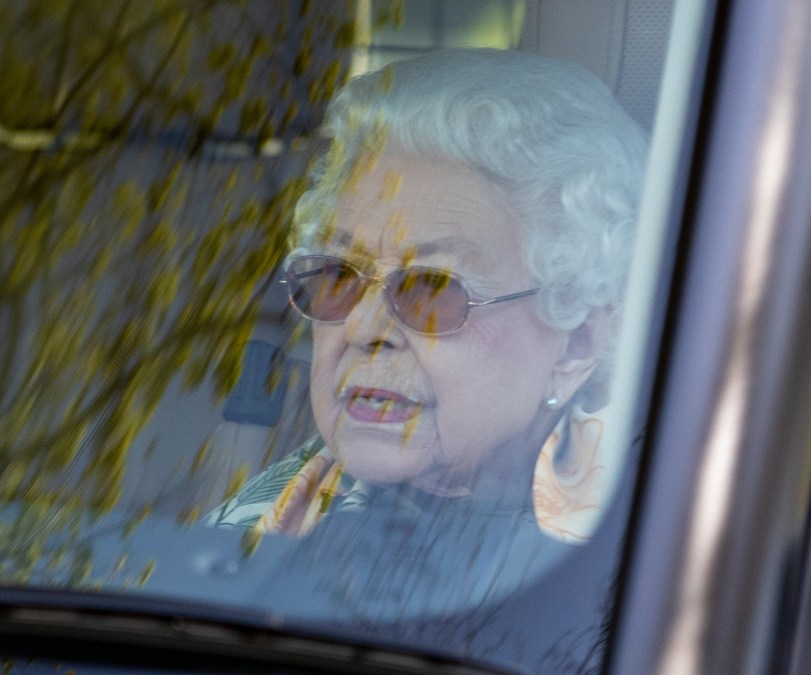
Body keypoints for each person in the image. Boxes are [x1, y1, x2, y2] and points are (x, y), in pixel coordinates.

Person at [208, 48, 648, 544]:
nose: (362, 329)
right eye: (338, 276)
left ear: (578, 343)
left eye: (434, 288)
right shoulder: (256, 533)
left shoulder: (658, 550)